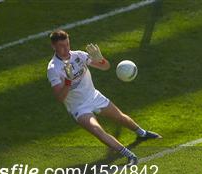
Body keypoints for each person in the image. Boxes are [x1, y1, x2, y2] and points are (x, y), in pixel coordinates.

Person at [46, 30, 160, 165]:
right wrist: (68, 82)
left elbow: (105, 67)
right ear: (53, 46)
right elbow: (60, 98)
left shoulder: (79, 56)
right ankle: (129, 155)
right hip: (79, 108)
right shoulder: (53, 69)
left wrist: (100, 58)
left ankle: (142, 133)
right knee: (97, 130)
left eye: (67, 44)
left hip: (94, 96)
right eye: (62, 46)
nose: (66, 49)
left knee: (120, 117)